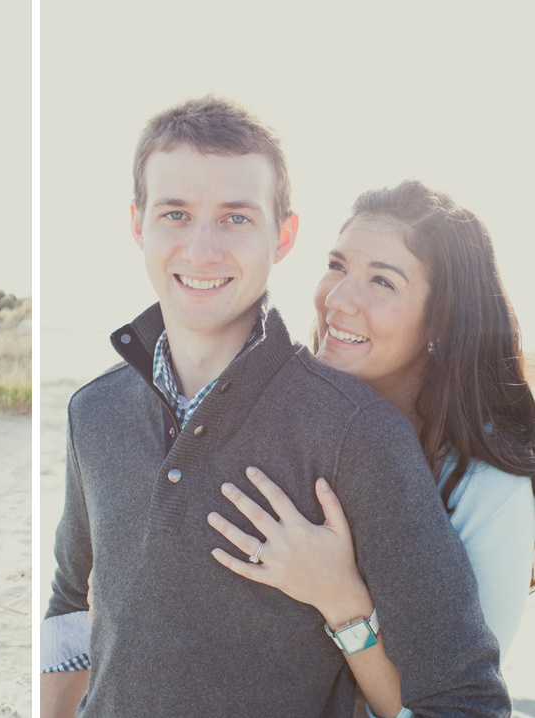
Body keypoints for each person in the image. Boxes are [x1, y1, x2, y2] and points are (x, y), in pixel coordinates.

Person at [40, 96, 512, 717]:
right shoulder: (93, 411)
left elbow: (464, 701)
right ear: (137, 224)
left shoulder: (357, 430)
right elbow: (73, 606)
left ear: (283, 235)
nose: (202, 249)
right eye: (175, 213)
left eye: (236, 219)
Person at [207, 180, 535, 718]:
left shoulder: (487, 489)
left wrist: (341, 598)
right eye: (337, 266)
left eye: (381, 281)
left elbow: (459, 705)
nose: (337, 300)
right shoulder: (281, 426)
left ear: (441, 320)